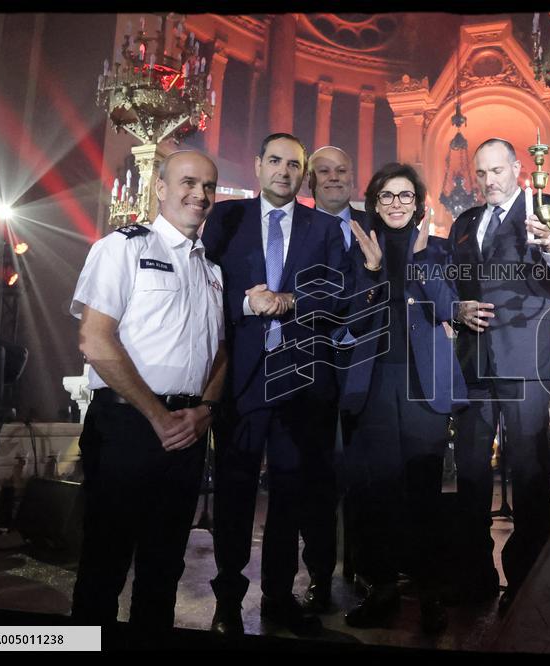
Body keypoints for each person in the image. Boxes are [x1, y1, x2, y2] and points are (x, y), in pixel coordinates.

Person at [69, 150, 226, 632]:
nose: (199, 194)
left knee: (164, 569)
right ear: (159, 188)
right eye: (187, 182)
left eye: (208, 186)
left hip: (187, 432)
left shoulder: (212, 271)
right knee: (105, 565)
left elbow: (220, 354)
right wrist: (157, 415)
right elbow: (95, 338)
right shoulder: (123, 247)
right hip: (127, 427)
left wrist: (205, 410)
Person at [202, 133, 351, 637]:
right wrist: (248, 305)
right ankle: (226, 597)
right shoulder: (226, 220)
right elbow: (201, 290)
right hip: (238, 382)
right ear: (258, 164)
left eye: (293, 164)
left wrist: (288, 302)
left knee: (289, 494)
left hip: (299, 383)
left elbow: (336, 296)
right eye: (274, 161)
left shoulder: (324, 227)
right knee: (235, 492)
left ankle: (278, 596)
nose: (283, 171)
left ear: (302, 172)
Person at [447, 138, 550, 616]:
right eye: (481, 173)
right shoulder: (463, 222)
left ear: (518, 168)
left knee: (528, 472)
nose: (488, 181)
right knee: (470, 472)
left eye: (497, 171)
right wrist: (456, 307)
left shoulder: (547, 208)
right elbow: (451, 282)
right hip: (473, 365)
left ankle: (529, 576)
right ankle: (474, 574)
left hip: (526, 362)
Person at [339, 162, 467, 634]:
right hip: (372, 387)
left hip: (423, 387)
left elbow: (447, 306)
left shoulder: (436, 248)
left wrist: (416, 261)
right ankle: (383, 591)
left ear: (418, 203)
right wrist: (372, 273)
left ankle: (430, 593)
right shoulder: (357, 252)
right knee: (377, 495)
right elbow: (351, 321)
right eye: (387, 196)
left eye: (405, 195)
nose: (396, 204)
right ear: (375, 202)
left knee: (424, 494)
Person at [308, 145, 365, 596]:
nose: (332, 177)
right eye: (322, 171)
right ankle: (320, 575)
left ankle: (368, 568)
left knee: (369, 471)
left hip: (369, 367)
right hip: (315, 366)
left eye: (340, 170)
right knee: (319, 475)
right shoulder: (297, 228)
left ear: (353, 177)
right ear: (311, 181)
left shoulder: (377, 222)